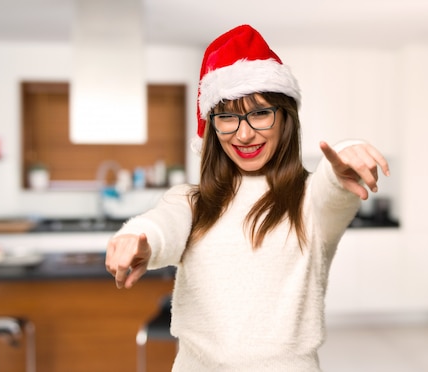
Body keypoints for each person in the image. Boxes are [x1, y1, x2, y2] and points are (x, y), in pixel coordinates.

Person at [105, 24, 390, 371]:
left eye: (259, 113)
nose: (244, 133)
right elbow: (163, 225)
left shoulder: (307, 200)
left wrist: (345, 157)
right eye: (227, 116)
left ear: (285, 118)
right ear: (212, 126)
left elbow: (331, 189)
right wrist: (140, 238)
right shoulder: (191, 201)